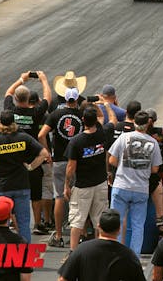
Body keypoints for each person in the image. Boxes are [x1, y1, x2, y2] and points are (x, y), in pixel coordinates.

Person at [0, 109, 50, 244]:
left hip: (2, 187)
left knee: (1, 225)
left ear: (0, 123)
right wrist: (31, 166)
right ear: (14, 122)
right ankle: (25, 256)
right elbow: (44, 153)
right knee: (23, 223)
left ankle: (3, 254)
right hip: (21, 186)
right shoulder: (23, 138)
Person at [108, 110, 162, 254]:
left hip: (121, 185)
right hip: (141, 188)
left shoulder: (124, 137)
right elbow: (155, 169)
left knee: (116, 223)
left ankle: (116, 253)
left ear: (134, 123)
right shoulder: (153, 143)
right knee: (138, 226)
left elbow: (112, 160)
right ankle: (134, 256)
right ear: (148, 124)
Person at [39, 86, 83, 248]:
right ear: (77, 99)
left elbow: (41, 134)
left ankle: (58, 235)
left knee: (59, 197)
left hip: (58, 160)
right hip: (77, 161)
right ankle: (81, 233)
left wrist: (47, 153)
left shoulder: (55, 114)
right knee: (78, 197)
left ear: (65, 99)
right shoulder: (82, 115)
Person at [64, 107, 109, 254]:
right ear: (96, 120)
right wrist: (99, 103)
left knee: (77, 218)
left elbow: (71, 167)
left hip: (83, 186)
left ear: (83, 120)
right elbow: (103, 117)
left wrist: (66, 185)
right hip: (101, 182)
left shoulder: (76, 142)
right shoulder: (102, 133)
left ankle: (73, 252)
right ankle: (98, 250)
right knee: (99, 219)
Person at [59, 208, 146, 281]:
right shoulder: (128, 255)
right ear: (119, 229)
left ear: (99, 227)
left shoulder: (82, 249)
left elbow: (63, 279)